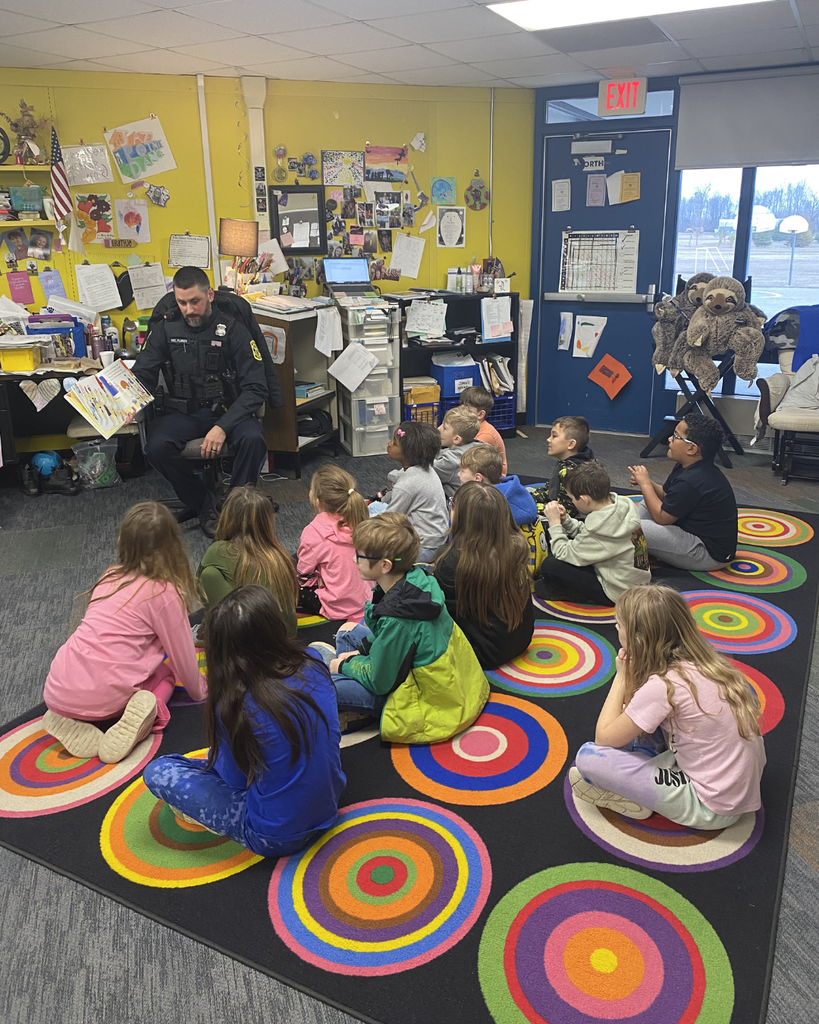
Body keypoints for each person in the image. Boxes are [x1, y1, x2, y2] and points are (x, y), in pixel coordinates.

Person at [144, 586, 345, 857]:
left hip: (272, 835)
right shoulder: (314, 663)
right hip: (329, 805)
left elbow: (236, 780)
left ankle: (214, 815)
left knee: (159, 770)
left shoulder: (234, 704)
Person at [569, 584, 766, 826]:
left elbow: (604, 738)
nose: (615, 628)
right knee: (637, 726)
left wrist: (621, 677)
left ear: (638, 638)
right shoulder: (711, 664)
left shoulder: (664, 685)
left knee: (589, 757)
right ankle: (646, 772)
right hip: (735, 783)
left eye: (619, 625)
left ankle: (637, 795)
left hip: (712, 807)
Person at [42, 502, 205, 764]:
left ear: (122, 541)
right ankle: (147, 712)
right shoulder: (163, 592)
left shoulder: (109, 575)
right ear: (174, 547)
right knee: (165, 674)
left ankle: (69, 715)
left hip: (58, 686)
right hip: (105, 699)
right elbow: (182, 655)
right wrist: (200, 691)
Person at [310, 513, 489, 743]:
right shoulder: (415, 577)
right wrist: (359, 654)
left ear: (384, 565)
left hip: (425, 699)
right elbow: (389, 637)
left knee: (323, 682)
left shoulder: (398, 619)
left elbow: (379, 680)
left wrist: (345, 664)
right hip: (448, 682)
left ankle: (365, 711)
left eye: (360, 556)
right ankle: (352, 697)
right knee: (348, 631)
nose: (354, 561)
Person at [133, 266, 269, 537]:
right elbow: (142, 375)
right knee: (156, 447)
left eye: (195, 301)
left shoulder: (234, 330)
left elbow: (256, 389)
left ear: (209, 294)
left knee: (254, 440)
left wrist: (222, 427)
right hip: (184, 413)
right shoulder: (164, 329)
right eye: (182, 302)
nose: (188, 309)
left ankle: (235, 507)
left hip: (229, 410)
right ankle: (203, 502)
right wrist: (129, 402)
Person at [434, 483, 534, 669]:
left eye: (452, 505)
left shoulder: (453, 562)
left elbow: (443, 614)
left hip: (481, 653)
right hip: (520, 639)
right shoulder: (517, 547)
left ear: (463, 518)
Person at [628, 413, 738, 570]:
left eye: (676, 436)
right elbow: (667, 496)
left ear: (692, 449)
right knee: (648, 502)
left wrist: (645, 484)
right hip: (690, 530)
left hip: (707, 553)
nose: (669, 439)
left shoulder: (692, 480)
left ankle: (623, 546)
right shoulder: (688, 467)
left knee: (634, 528)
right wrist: (648, 483)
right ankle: (629, 542)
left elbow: (662, 518)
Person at [536, 461, 650, 605]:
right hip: (634, 581)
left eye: (572, 498)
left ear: (584, 499)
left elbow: (563, 553)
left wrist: (555, 524)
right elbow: (589, 534)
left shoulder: (600, 530)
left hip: (617, 593)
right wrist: (566, 521)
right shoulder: (619, 506)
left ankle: (575, 594)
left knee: (550, 565)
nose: (571, 501)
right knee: (562, 545)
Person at [197, 485, 298, 637]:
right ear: (267, 521)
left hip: (245, 648)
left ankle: (213, 633)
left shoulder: (217, 550)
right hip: (285, 640)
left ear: (226, 517)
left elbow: (198, 585)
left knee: (208, 574)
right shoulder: (279, 555)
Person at [297, 463, 373, 622]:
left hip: (338, 606)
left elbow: (303, 574)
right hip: (368, 598)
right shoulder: (363, 519)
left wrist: (315, 582)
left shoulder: (313, 532)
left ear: (319, 501)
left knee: (293, 586)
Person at [379, 422, 449, 562]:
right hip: (437, 537)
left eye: (395, 443)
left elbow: (389, 521)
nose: (389, 444)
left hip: (425, 547)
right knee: (374, 509)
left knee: (379, 559)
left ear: (408, 454)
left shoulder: (406, 485)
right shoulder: (426, 469)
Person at [531, 416, 595, 520]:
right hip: (557, 504)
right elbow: (551, 490)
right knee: (525, 493)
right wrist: (528, 498)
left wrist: (530, 506)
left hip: (571, 521)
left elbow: (565, 511)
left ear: (571, 444)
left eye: (554, 436)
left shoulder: (571, 472)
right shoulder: (569, 460)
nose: (548, 439)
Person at [459, 444, 537, 526]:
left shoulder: (481, 508)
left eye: (462, 471)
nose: (458, 474)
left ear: (477, 478)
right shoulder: (521, 495)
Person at [434, 406, 485, 498]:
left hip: (458, 506)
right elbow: (444, 452)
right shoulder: (477, 446)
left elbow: (425, 468)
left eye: (444, 428)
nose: (439, 429)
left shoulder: (451, 460)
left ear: (457, 439)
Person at [458, 385, 508, 475]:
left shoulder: (485, 434)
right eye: (461, 406)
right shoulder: (468, 427)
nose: (460, 411)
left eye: (467, 409)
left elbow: (467, 457)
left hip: (489, 478)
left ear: (480, 414)